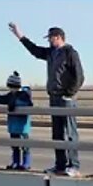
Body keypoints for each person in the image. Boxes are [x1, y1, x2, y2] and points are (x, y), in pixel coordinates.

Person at [8, 24, 84, 176]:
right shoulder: (51, 53)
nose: (49, 41)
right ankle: (60, 165)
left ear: (58, 37)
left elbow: (79, 76)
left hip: (66, 98)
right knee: (57, 134)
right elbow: (35, 50)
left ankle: (74, 165)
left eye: (50, 38)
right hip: (54, 97)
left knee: (70, 132)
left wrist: (69, 93)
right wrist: (20, 36)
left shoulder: (70, 53)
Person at [0, 72, 34, 171]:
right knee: (14, 145)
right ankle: (16, 163)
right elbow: (0, 99)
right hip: (13, 125)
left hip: (22, 126)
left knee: (25, 146)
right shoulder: (10, 95)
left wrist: (15, 104)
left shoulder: (24, 95)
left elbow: (28, 104)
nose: (12, 89)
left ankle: (26, 163)